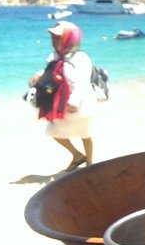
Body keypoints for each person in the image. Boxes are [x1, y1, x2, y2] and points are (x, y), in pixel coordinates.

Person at [29, 21, 96, 171]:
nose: (56, 40)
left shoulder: (81, 58)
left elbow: (82, 82)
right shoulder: (54, 56)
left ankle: (90, 163)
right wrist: (38, 76)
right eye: (55, 37)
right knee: (54, 132)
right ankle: (77, 155)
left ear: (70, 38)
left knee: (84, 132)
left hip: (80, 102)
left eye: (59, 37)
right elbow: (50, 72)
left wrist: (74, 102)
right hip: (60, 102)